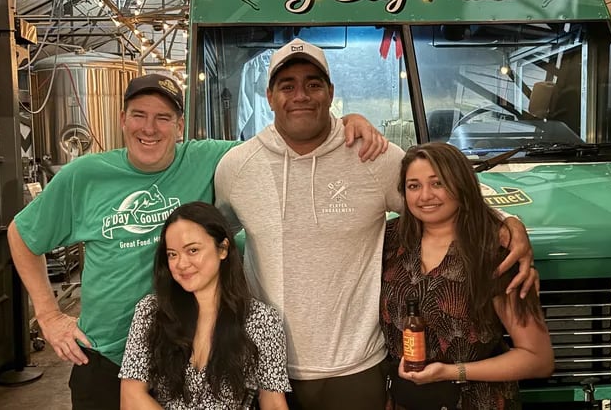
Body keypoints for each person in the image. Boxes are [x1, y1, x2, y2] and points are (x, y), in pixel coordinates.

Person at [7, 73, 386, 409]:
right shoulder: (85, 175)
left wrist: (344, 125)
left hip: (183, 353)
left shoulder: (211, 159)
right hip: (107, 354)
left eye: (163, 118)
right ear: (122, 119)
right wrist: (49, 315)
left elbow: (287, 141)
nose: (149, 128)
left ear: (180, 125)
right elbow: (22, 236)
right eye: (139, 114)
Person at [215, 38, 538, 410]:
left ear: (331, 92)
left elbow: (445, 200)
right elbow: (213, 242)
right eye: (287, 86)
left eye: (313, 84)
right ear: (269, 96)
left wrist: (508, 223)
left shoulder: (374, 156)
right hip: (267, 368)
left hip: (358, 368)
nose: (300, 95)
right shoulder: (236, 168)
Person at [380, 143, 555, 410]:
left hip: (478, 402)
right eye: (413, 186)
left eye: (437, 183)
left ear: (461, 186)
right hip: (406, 401)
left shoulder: (497, 252)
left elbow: (538, 358)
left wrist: (452, 372)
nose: (425, 195)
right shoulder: (390, 241)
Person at [119, 201, 291, 409]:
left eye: (192, 250)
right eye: (172, 254)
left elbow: (273, 402)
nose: (181, 264)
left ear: (223, 249)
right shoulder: (151, 312)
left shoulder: (262, 320)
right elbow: (131, 397)